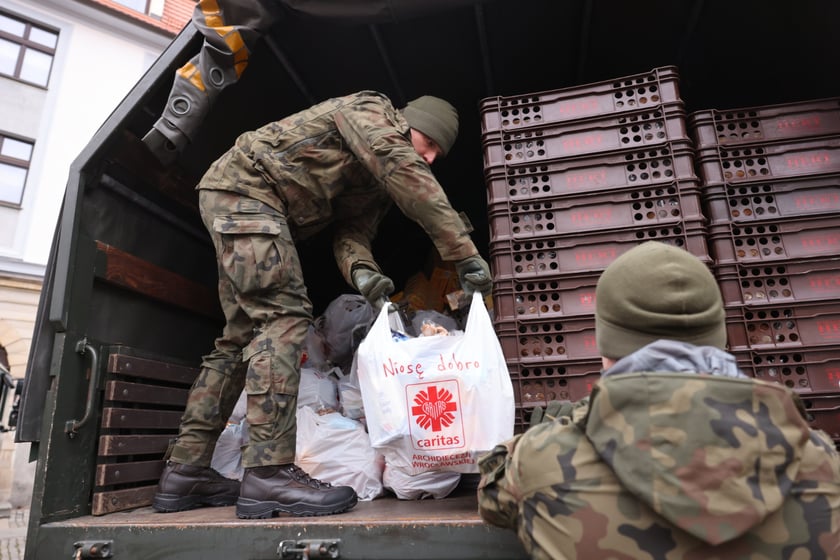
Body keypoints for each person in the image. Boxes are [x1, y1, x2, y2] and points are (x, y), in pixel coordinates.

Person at [152, 91, 493, 519]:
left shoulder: (376, 177)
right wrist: (462, 251)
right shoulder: (370, 111)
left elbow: (352, 234)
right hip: (247, 191)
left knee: (239, 338)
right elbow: (401, 167)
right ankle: (268, 473)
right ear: (411, 125)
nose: (429, 158)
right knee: (284, 318)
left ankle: (186, 472)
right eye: (429, 145)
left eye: (437, 155)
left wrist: (363, 271)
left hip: (243, 200)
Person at [477, 241, 840, 559]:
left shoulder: (542, 460)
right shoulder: (820, 462)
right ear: (717, 337)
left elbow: (493, 499)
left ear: (607, 346)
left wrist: (551, 436)